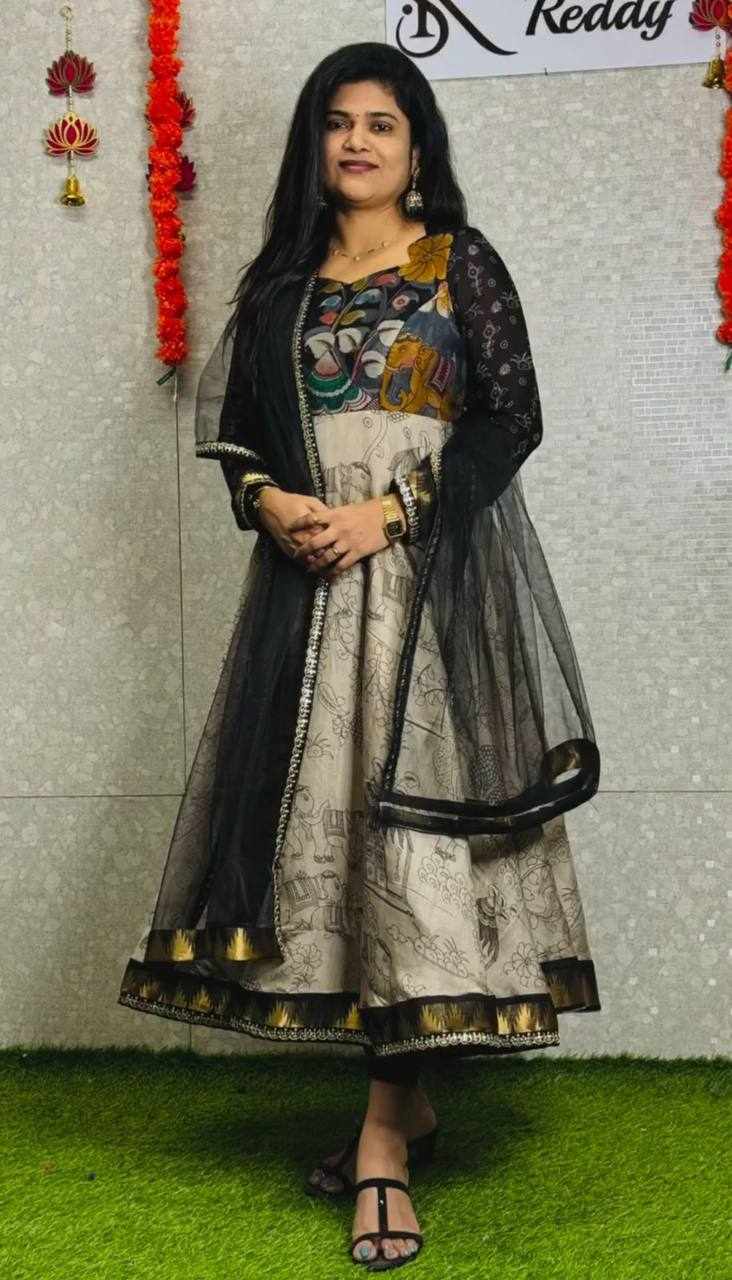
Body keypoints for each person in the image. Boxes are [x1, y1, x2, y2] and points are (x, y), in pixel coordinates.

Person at [118, 40, 602, 1270]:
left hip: (423, 591)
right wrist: (272, 502)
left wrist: (390, 513)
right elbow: (240, 439)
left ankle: (383, 1138)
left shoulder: (458, 263)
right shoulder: (282, 286)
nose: (358, 142)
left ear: (417, 145)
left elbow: (511, 418)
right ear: (315, 144)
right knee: (330, 850)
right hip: (308, 599)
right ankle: (408, 1105)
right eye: (338, 122)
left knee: (410, 849)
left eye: (382, 123)